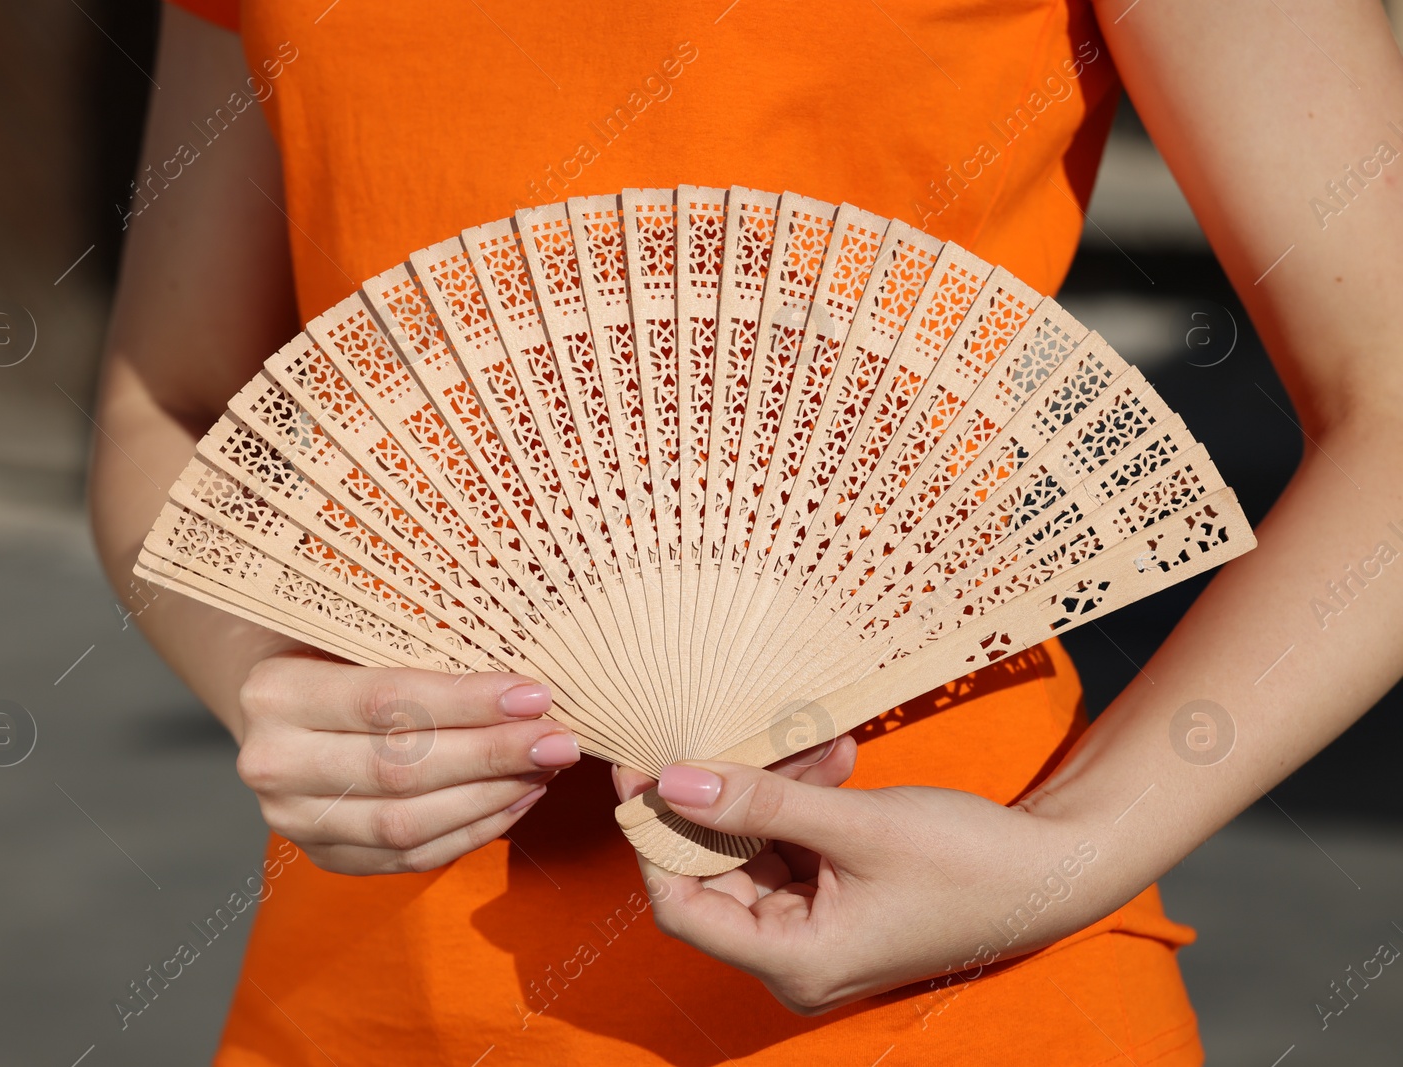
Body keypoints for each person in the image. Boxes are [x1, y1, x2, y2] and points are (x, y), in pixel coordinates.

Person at [89, 1, 1403, 1062]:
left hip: (937, 977)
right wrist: (275, 682)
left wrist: (1067, 855)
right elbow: (174, 402)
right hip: (370, 992)